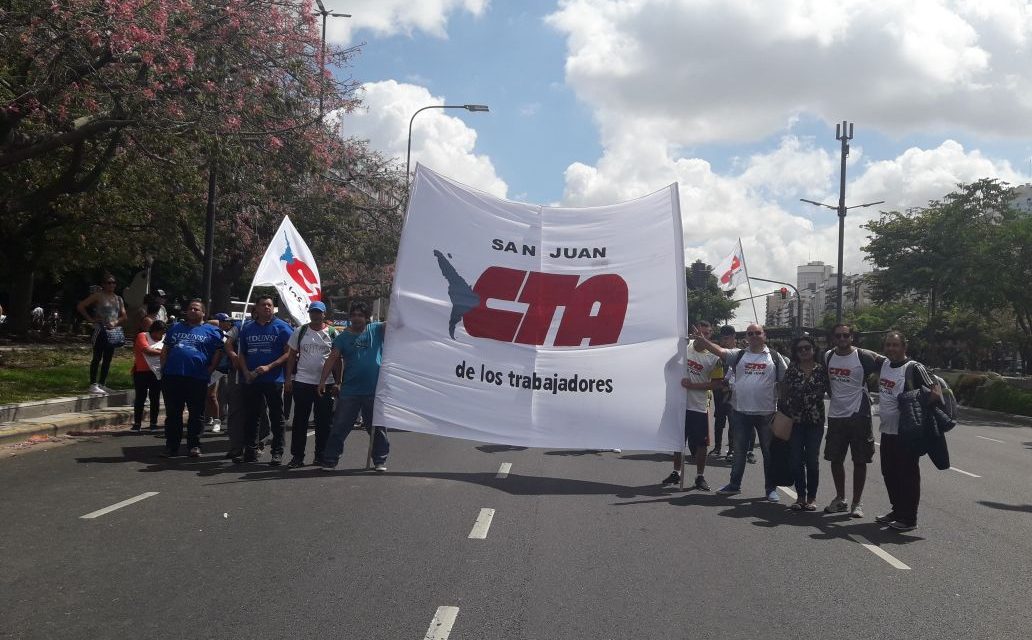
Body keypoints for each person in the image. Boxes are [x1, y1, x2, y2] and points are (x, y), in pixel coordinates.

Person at [692, 322, 787, 501]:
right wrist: (704, 341)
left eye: (757, 333)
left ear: (764, 335)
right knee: (739, 452)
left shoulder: (774, 357)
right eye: (750, 334)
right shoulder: (739, 355)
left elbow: (784, 381)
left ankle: (770, 489)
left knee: (769, 454)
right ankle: (734, 485)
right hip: (741, 412)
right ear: (746, 338)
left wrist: (784, 407)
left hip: (767, 413)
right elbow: (720, 352)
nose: (754, 336)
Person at [875, 331, 940, 532]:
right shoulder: (885, 364)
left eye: (895, 345)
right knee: (889, 473)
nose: (891, 349)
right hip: (888, 430)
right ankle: (897, 511)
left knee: (907, 475)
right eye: (888, 345)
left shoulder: (914, 368)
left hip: (907, 433)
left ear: (904, 347)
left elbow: (936, 393)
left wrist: (913, 409)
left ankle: (909, 518)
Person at [823, 323, 885, 518]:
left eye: (846, 336)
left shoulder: (863, 356)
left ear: (852, 337)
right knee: (835, 459)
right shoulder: (828, 356)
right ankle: (840, 498)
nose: (842, 339)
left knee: (860, 460)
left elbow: (889, 365)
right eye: (838, 336)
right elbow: (826, 379)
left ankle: (857, 503)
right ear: (833, 338)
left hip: (859, 414)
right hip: (836, 415)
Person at [318, 301, 389, 472]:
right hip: (350, 391)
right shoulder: (342, 338)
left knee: (377, 427)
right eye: (354, 315)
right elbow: (332, 358)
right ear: (350, 317)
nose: (357, 318)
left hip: (374, 390)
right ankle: (330, 460)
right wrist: (322, 381)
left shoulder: (377, 329)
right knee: (340, 427)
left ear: (367, 318)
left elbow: (396, 322)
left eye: (360, 315)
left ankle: (379, 460)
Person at [662, 320, 723, 490]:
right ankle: (676, 472)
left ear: (710, 335)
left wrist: (693, 386)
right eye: (699, 332)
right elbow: (667, 365)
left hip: (698, 406)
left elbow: (717, 383)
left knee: (701, 444)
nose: (702, 336)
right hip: (679, 404)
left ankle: (700, 476)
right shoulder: (683, 347)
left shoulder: (714, 356)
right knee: (678, 441)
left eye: (706, 334)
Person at [160, 300, 224, 457]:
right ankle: (172, 446)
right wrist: (164, 368)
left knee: (196, 413)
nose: (193, 311)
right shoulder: (175, 328)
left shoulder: (212, 331)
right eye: (190, 308)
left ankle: (194, 445)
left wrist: (210, 369)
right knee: (173, 413)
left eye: (196, 309)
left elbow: (218, 352)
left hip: (197, 377)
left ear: (203, 313)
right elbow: (166, 348)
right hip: (173, 376)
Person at [235, 295, 293, 465]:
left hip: (273, 379)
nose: (267, 307)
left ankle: (277, 452)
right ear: (257, 308)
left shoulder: (282, 327)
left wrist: (269, 366)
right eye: (263, 305)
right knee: (252, 417)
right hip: (252, 380)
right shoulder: (247, 328)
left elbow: (289, 353)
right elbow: (242, 353)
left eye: (270, 305)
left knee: (276, 416)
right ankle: (250, 451)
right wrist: (245, 371)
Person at [285, 301, 340, 467]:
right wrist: (288, 378)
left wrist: (338, 382)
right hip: (302, 381)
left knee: (323, 422)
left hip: (326, 383)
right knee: (300, 421)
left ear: (324, 314)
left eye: (318, 312)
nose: (315, 315)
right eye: (313, 312)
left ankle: (320, 455)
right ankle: (297, 457)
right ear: (309, 314)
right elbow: (291, 355)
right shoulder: (300, 331)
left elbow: (338, 359)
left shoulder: (333, 333)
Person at [781, 335, 829, 511]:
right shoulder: (792, 369)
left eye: (807, 348)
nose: (803, 351)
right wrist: (783, 411)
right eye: (800, 349)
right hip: (795, 421)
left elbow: (832, 391)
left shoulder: (822, 370)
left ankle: (812, 497)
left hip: (815, 421)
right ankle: (800, 496)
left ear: (813, 350)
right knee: (795, 459)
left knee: (812, 460)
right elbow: (784, 391)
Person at [76, 273, 128, 395]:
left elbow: (124, 315)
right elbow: (81, 306)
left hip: (112, 331)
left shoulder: (118, 299)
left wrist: (116, 321)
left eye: (113, 283)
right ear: (103, 284)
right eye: (109, 283)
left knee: (108, 358)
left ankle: (102, 383)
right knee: (97, 356)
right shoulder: (98, 296)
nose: (111, 285)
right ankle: (93, 384)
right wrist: (90, 319)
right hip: (100, 329)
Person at [132, 320, 166, 431]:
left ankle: (153, 423)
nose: (158, 336)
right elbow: (147, 350)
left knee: (155, 398)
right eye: (157, 333)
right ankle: (137, 423)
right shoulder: (142, 336)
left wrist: (158, 351)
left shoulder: (165, 339)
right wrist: (162, 352)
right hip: (141, 371)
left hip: (156, 372)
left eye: (161, 333)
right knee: (140, 398)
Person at [710, 326, 735, 457]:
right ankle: (717, 448)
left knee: (732, 420)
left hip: (732, 392)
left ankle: (732, 449)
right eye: (722, 338)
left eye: (727, 338)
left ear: (733, 337)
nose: (724, 341)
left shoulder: (738, 353)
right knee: (719, 419)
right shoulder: (718, 352)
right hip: (719, 391)